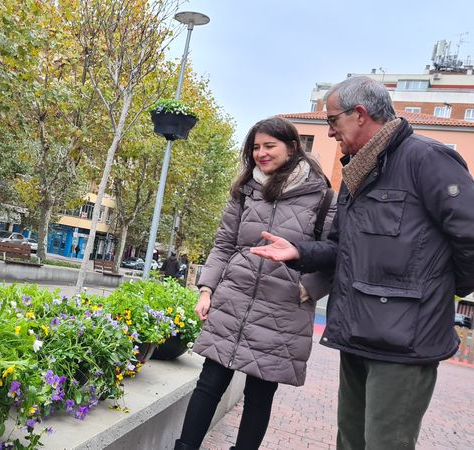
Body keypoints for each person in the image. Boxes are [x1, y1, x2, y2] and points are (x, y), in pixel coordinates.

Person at [250, 76, 474, 450]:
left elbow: (470, 234)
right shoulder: (359, 170)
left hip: (405, 341)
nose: (331, 131)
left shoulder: (426, 159)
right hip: (358, 332)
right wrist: (300, 252)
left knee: (386, 444)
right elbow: (341, 248)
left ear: (359, 114)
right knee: (350, 442)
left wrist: (443, 290)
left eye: (333, 120)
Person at [175, 117, 336, 450]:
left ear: (292, 147)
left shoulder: (322, 197)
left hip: (283, 309)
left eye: (269, 146)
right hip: (234, 298)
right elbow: (224, 244)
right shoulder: (245, 190)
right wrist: (207, 289)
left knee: (260, 395)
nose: (261, 154)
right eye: (255, 148)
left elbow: (334, 255)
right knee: (209, 382)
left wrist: (307, 289)